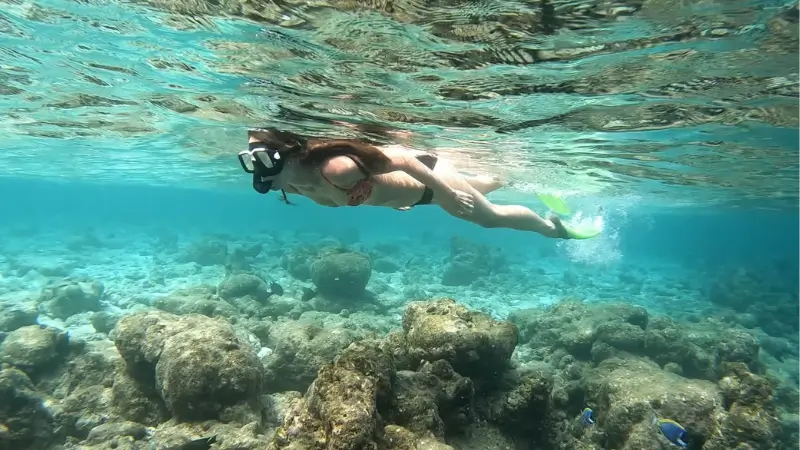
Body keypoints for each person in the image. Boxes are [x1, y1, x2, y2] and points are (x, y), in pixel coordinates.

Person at [238, 127, 575, 239]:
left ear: (286, 152)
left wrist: (446, 194)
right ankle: (506, 175)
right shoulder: (290, 184)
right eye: (251, 160)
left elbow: (403, 157)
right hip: (417, 196)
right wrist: (385, 197)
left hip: (430, 178)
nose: (256, 167)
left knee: (488, 218)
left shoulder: (334, 168)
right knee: (481, 190)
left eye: (261, 157)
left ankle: (552, 228)